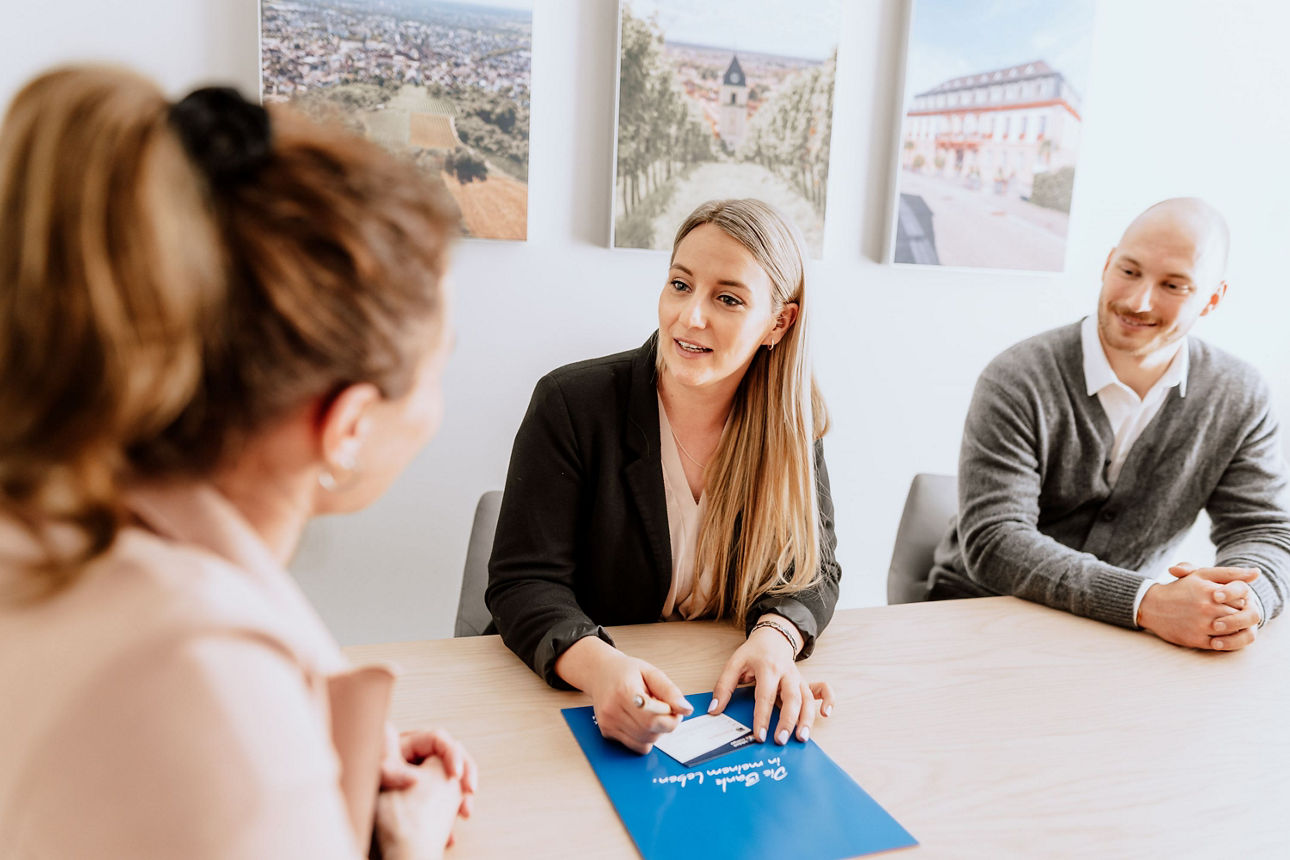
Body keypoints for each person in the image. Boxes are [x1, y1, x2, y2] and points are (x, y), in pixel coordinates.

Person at [0, 66, 475, 858]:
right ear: (347, 424)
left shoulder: (50, 525)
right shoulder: (199, 682)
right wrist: (406, 842)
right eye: (441, 367)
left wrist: (305, 756)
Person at [487, 199, 840, 754]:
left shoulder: (792, 427)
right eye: (680, 284)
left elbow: (814, 571)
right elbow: (524, 584)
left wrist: (775, 639)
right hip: (565, 698)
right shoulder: (572, 404)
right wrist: (602, 669)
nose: (690, 316)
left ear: (779, 322)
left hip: (712, 697)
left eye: (727, 298)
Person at [929, 197, 1289, 651]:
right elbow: (996, 540)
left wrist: (1241, 603)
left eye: (1174, 285)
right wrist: (1147, 601)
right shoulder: (1018, 376)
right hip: (980, 612)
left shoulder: (1239, 394)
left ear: (1212, 298)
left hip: (1122, 634)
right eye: (1129, 271)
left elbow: (1262, 530)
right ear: (1106, 264)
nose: (1138, 301)